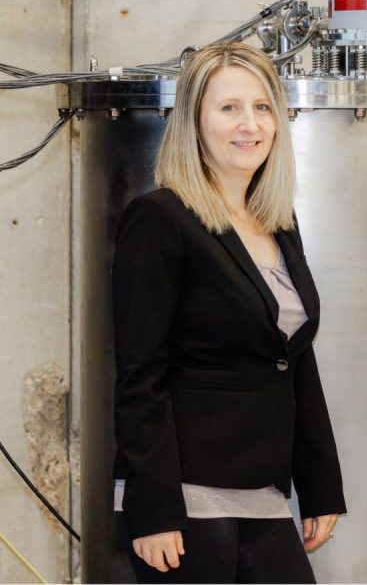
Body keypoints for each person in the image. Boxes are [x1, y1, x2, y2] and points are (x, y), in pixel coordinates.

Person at [112, 42, 345, 583]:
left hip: (260, 489)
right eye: (229, 108)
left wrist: (320, 487)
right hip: (183, 493)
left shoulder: (277, 223)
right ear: (194, 120)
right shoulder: (160, 218)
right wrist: (153, 507)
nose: (250, 124)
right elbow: (139, 373)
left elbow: (295, 362)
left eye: (263, 107)